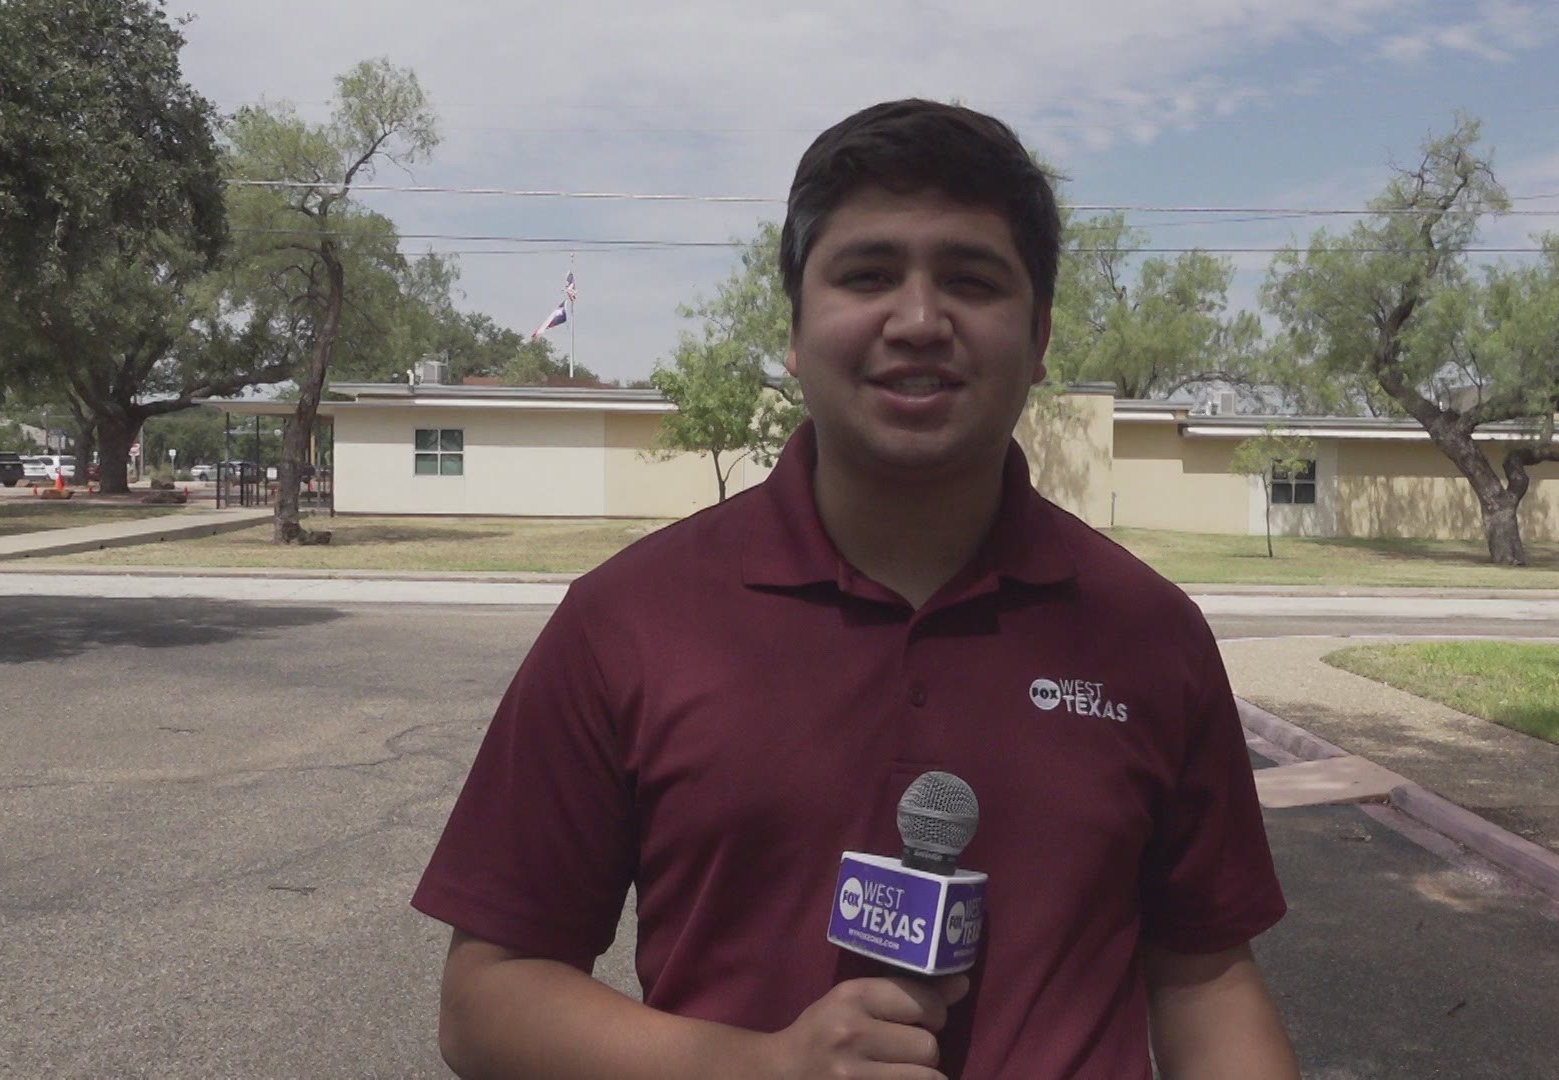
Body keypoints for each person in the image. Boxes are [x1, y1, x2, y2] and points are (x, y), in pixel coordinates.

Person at [414, 98, 1298, 1079]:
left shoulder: (1147, 634)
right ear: (795, 331)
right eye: (868, 275)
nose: (919, 321)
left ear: (1040, 338)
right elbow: (486, 999)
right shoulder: (626, 620)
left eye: (971, 279)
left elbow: (1204, 980)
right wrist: (763, 1067)